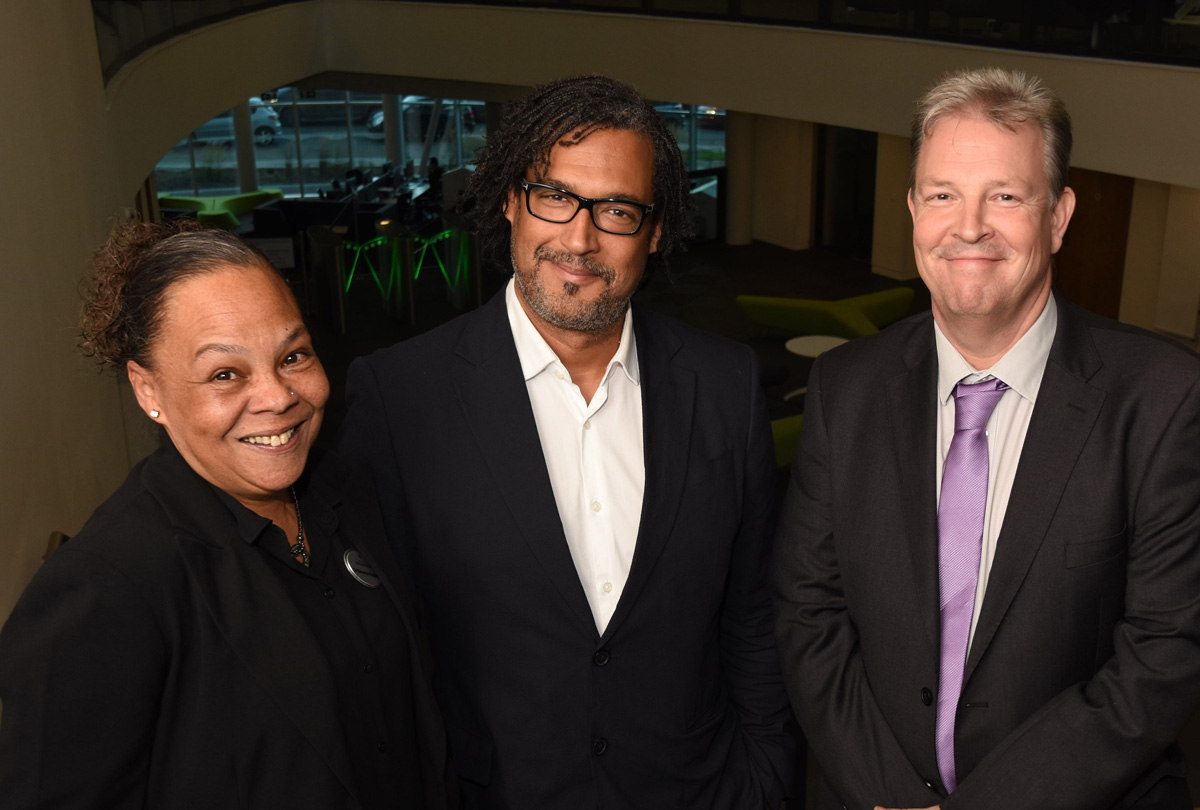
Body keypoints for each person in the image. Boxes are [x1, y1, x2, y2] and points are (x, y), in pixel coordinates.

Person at [339, 74, 795, 808]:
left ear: (653, 230)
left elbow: (750, 612)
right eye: (555, 196)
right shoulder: (400, 396)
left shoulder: (726, 383)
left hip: (697, 790)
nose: (578, 239)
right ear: (513, 202)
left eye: (616, 209)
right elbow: (381, 645)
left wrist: (766, 778)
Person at [771, 66, 1200, 810]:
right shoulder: (848, 388)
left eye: (1004, 195)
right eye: (943, 195)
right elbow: (808, 609)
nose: (969, 226)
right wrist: (888, 794)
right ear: (913, 210)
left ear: (1059, 216)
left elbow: (1163, 651)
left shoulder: (1164, 397)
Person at [0, 221, 455, 810]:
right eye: (225, 374)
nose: (277, 397)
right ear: (147, 390)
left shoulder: (342, 491)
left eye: (293, 356)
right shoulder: (107, 586)